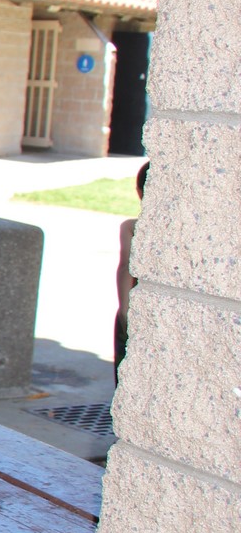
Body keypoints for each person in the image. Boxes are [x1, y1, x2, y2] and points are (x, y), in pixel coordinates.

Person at [115, 160, 151, 382]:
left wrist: (124, 313)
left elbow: (126, 267)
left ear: (139, 191)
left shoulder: (132, 228)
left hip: (138, 308)